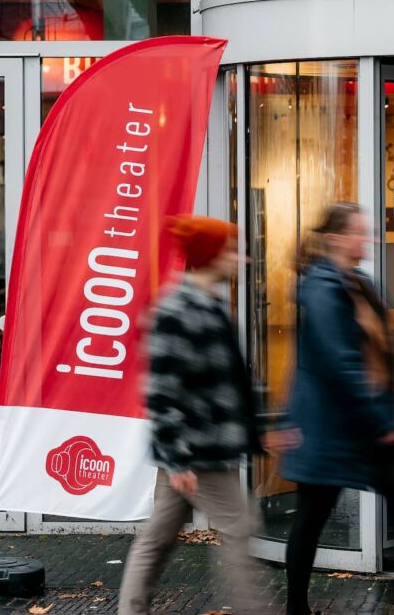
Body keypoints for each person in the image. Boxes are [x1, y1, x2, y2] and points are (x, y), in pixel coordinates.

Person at [119, 215, 280, 615]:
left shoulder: (207, 307)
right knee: (240, 528)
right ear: (211, 256)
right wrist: (176, 458)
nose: (240, 259)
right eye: (231, 250)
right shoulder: (176, 311)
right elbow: (161, 393)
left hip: (196, 451)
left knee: (158, 539)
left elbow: (226, 386)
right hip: (198, 453)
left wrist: (256, 432)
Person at [280, 202, 394, 615]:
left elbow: (378, 348)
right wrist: (386, 419)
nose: (368, 238)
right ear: (338, 238)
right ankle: (297, 609)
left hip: (350, 421)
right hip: (332, 425)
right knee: (313, 516)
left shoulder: (355, 282)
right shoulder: (324, 288)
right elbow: (342, 362)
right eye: (360, 232)